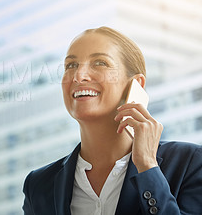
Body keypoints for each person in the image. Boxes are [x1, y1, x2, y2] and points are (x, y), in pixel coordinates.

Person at [22, 26, 202, 215]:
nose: (78, 76)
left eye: (100, 62)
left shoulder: (190, 163)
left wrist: (148, 167)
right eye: (71, 65)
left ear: (136, 85)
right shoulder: (39, 186)